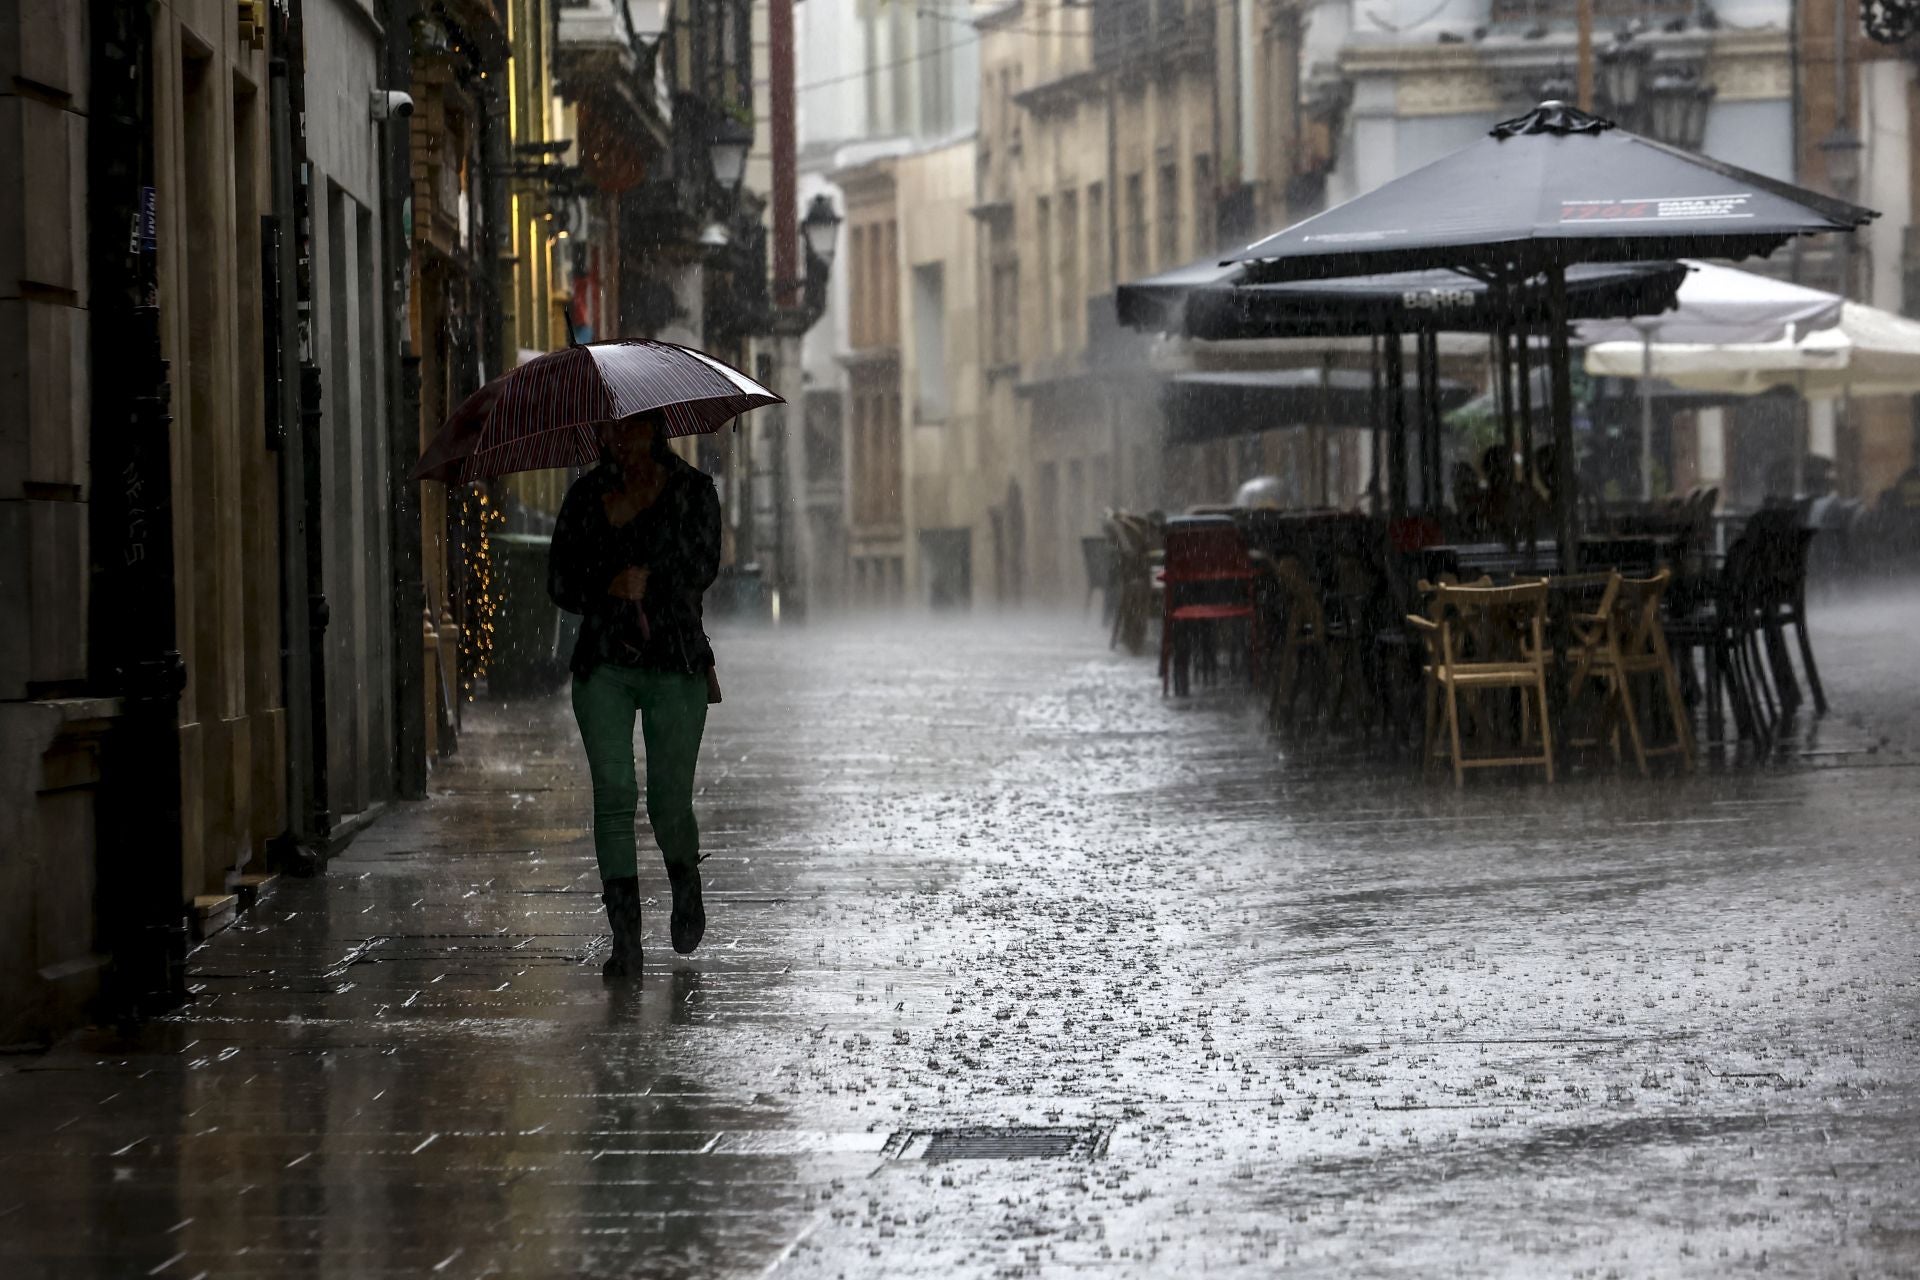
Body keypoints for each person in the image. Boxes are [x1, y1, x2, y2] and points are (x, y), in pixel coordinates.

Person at [548, 410, 722, 979]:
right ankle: (625, 938)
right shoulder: (585, 498)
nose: (622, 440)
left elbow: (703, 564)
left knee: (669, 801)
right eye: (612, 430)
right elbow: (560, 581)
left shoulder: (693, 491)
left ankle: (685, 884)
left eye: (634, 428)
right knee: (615, 795)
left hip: (675, 659)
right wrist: (608, 583)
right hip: (605, 664)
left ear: (656, 430)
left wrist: (654, 573)